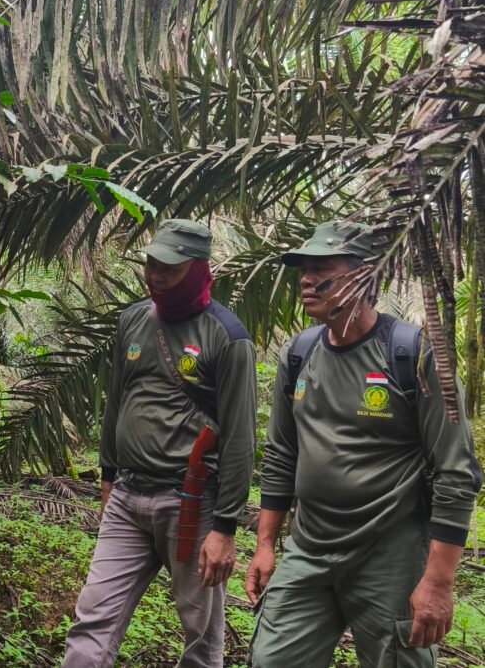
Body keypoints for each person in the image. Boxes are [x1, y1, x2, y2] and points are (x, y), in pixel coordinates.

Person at [246, 221, 482, 667]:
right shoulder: (298, 353)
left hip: (388, 557)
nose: (307, 280)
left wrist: (437, 583)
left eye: (322, 268)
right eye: (303, 269)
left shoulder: (416, 354)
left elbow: (456, 473)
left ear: (366, 275)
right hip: (308, 551)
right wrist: (265, 544)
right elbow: (281, 456)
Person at [63, 219, 257, 668]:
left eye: (168, 267)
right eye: (151, 263)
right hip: (127, 498)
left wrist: (225, 527)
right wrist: (108, 475)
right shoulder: (133, 320)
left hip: (190, 504)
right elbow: (118, 400)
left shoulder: (227, 337)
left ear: (196, 268)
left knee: (201, 633)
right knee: (93, 617)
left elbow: (240, 440)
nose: (155, 275)